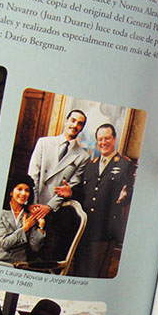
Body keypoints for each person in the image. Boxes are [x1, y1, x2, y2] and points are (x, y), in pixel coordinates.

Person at [71, 123, 135, 277]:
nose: (103, 142)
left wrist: (125, 196)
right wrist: (70, 193)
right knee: (79, 270)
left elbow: (130, 193)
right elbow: (83, 193)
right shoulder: (90, 165)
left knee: (97, 272)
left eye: (107, 138)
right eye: (100, 139)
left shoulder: (125, 165)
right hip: (85, 228)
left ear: (114, 139)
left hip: (106, 229)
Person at [27, 109, 90, 258]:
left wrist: (48, 207)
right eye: (73, 120)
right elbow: (32, 176)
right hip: (32, 205)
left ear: (81, 128)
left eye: (79, 124)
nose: (75, 125)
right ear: (66, 121)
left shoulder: (83, 156)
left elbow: (71, 186)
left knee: (44, 253)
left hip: (54, 211)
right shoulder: (44, 142)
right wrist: (34, 205)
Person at [0, 174, 46, 266]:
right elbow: (4, 244)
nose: (23, 193)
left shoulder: (30, 216)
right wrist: (25, 228)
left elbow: (35, 247)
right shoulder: (0, 213)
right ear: (11, 192)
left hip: (18, 264)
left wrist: (41, 227)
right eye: (19, 189)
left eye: (27, 190)